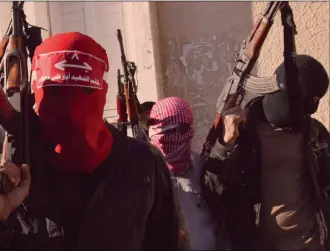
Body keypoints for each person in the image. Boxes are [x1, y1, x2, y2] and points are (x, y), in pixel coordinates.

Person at [0, 32, 180, 250]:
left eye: (84, 91)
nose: (69, 110)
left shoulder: (143, 165)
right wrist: (3, 212)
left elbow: (168, 241)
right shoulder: (16, 165)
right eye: (54, 92)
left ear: (101, 92)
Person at [202, 54, 330, 250]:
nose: (311, 110)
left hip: (310, 244)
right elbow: (213, 190)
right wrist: (226, 145)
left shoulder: (315, 133)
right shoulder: (242, 134)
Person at [149, 97, 218, 250]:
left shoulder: (202, 168)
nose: (170, 137)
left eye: (178, 130)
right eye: (165, 131)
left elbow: (222, 220)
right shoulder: (145, 175)